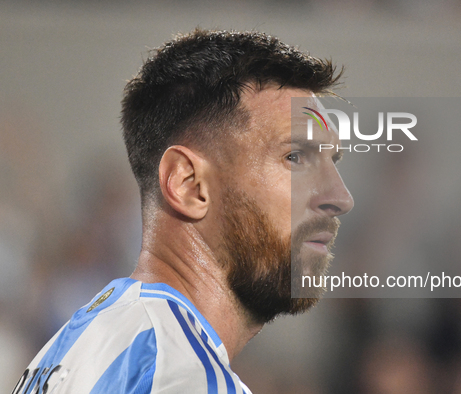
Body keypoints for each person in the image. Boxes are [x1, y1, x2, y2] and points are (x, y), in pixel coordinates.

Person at [13, 28, 353, 394]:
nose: (340, 197)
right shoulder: (180, 375)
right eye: (295, 157)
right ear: (188, 184)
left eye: (332, 161)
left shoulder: (71, 348)